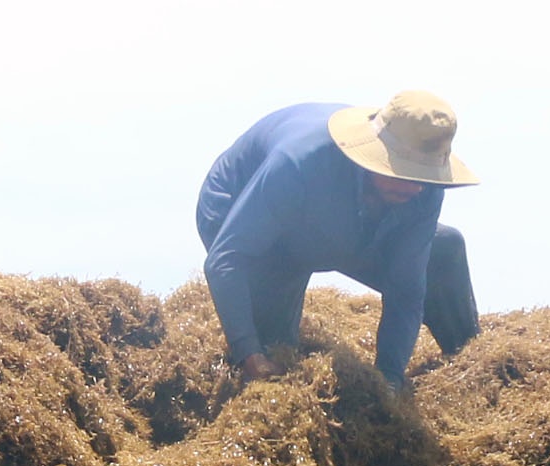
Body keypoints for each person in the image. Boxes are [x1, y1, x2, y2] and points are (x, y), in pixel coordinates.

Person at [196, 92, 481, 388]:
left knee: (444, 251)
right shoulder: (298, 164)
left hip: (342, 225)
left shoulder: (424, 189)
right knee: (277, 357)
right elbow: (226, 260)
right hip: (251, 219)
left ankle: (470, 365)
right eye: (404, 171)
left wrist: (389, 380)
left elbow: (406, 291)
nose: (416, 187)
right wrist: (249, 353)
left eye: (423, 176)